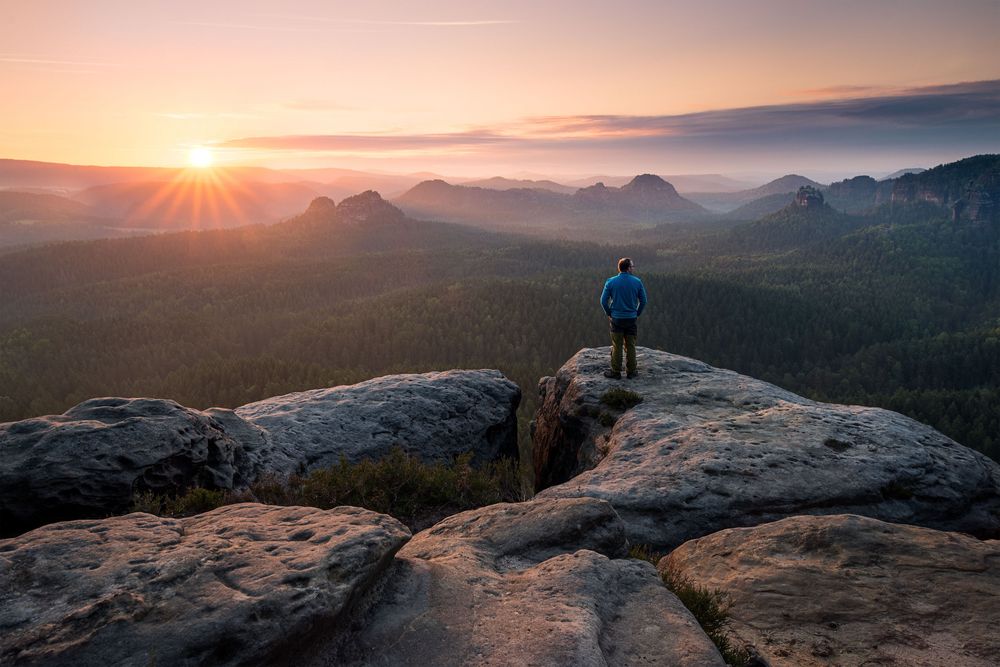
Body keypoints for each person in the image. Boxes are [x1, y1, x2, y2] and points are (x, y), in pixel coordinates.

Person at [600, 257, 647, 379]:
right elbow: (644, 301)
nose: (633, 268)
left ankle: (616, 372)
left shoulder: (611, 281)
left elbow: (603, 301)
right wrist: (637, 313)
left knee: (617, 345)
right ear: (628, 268)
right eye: (632, 266)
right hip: (631, 319)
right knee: (630, 345)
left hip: (616, 319)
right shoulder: (637, 282)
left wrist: (609, 313)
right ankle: (631, 372)